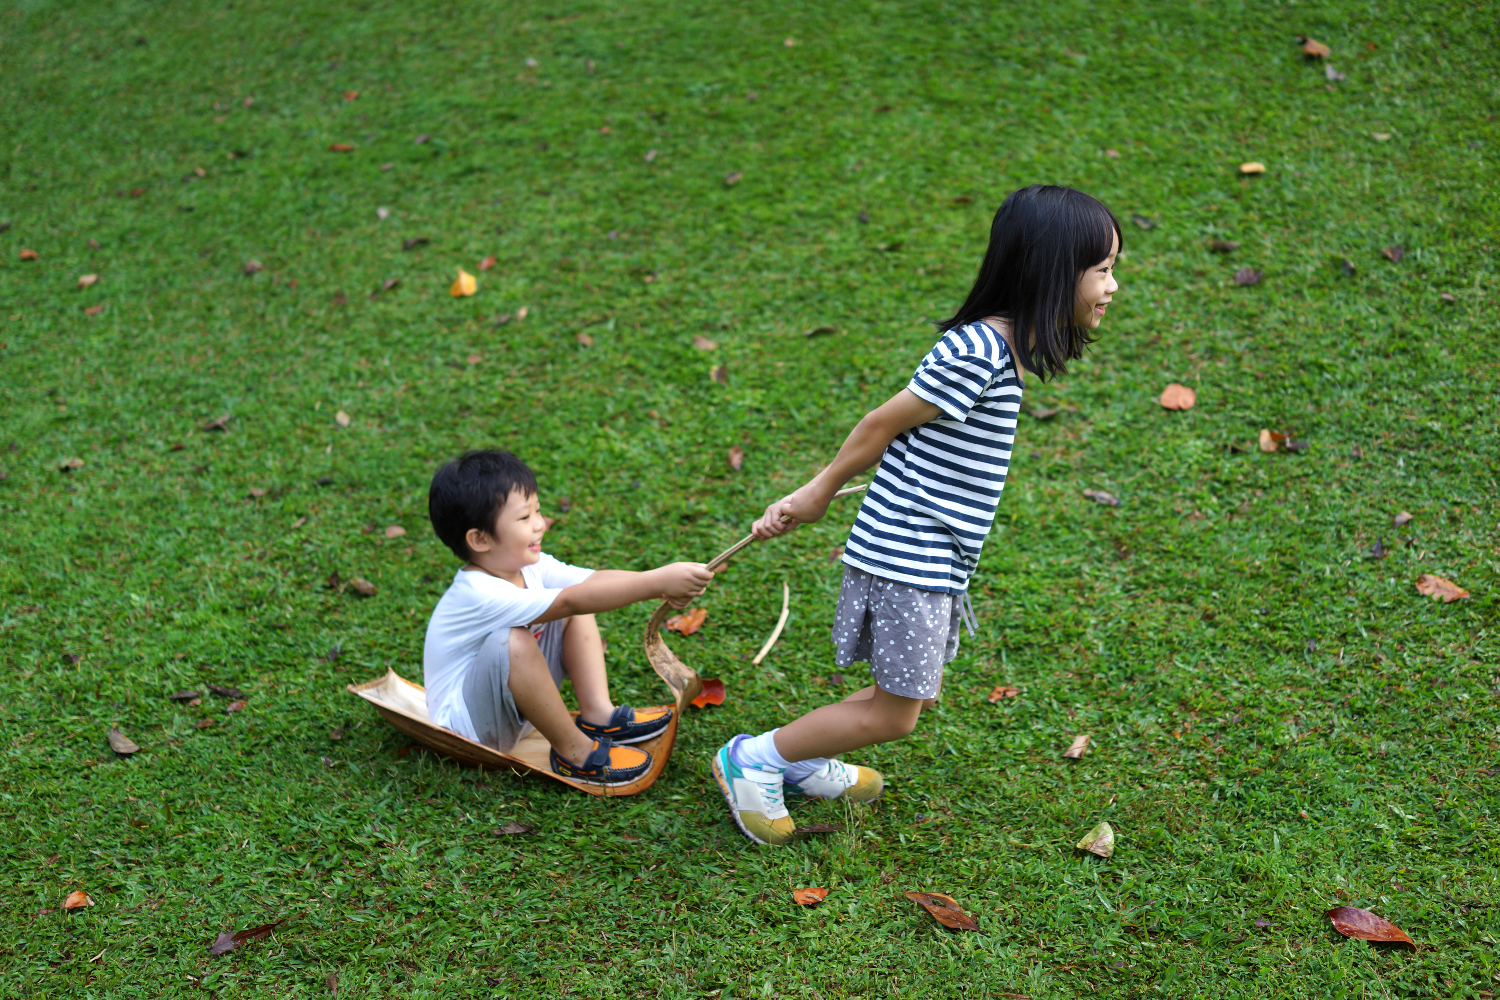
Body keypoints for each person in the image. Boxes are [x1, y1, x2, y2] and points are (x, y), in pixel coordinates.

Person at [712, 185, 1122, 844]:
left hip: (934, 554)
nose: (1112, 286)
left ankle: (797, 756)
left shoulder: (1001, 352)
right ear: (1050, 270)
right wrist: (816, 492)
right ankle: (757, 759)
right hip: (909, 554)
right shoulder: (976, 353)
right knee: (899, 713)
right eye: (1101, 270)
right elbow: (880, 424)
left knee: (910, 695)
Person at [424, 449, 714, 786]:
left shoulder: (529, 567)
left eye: (538, 510)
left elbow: (590, 582)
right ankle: (574, 752)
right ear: (480, 539)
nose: (540, 524)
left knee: (577, 607)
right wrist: (656, 581)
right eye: (523, 518)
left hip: (513, 709)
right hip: (470, 728)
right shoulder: (476, 592)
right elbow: (569, 600)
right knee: (515, 639)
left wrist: (659, 582)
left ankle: (598, 714)